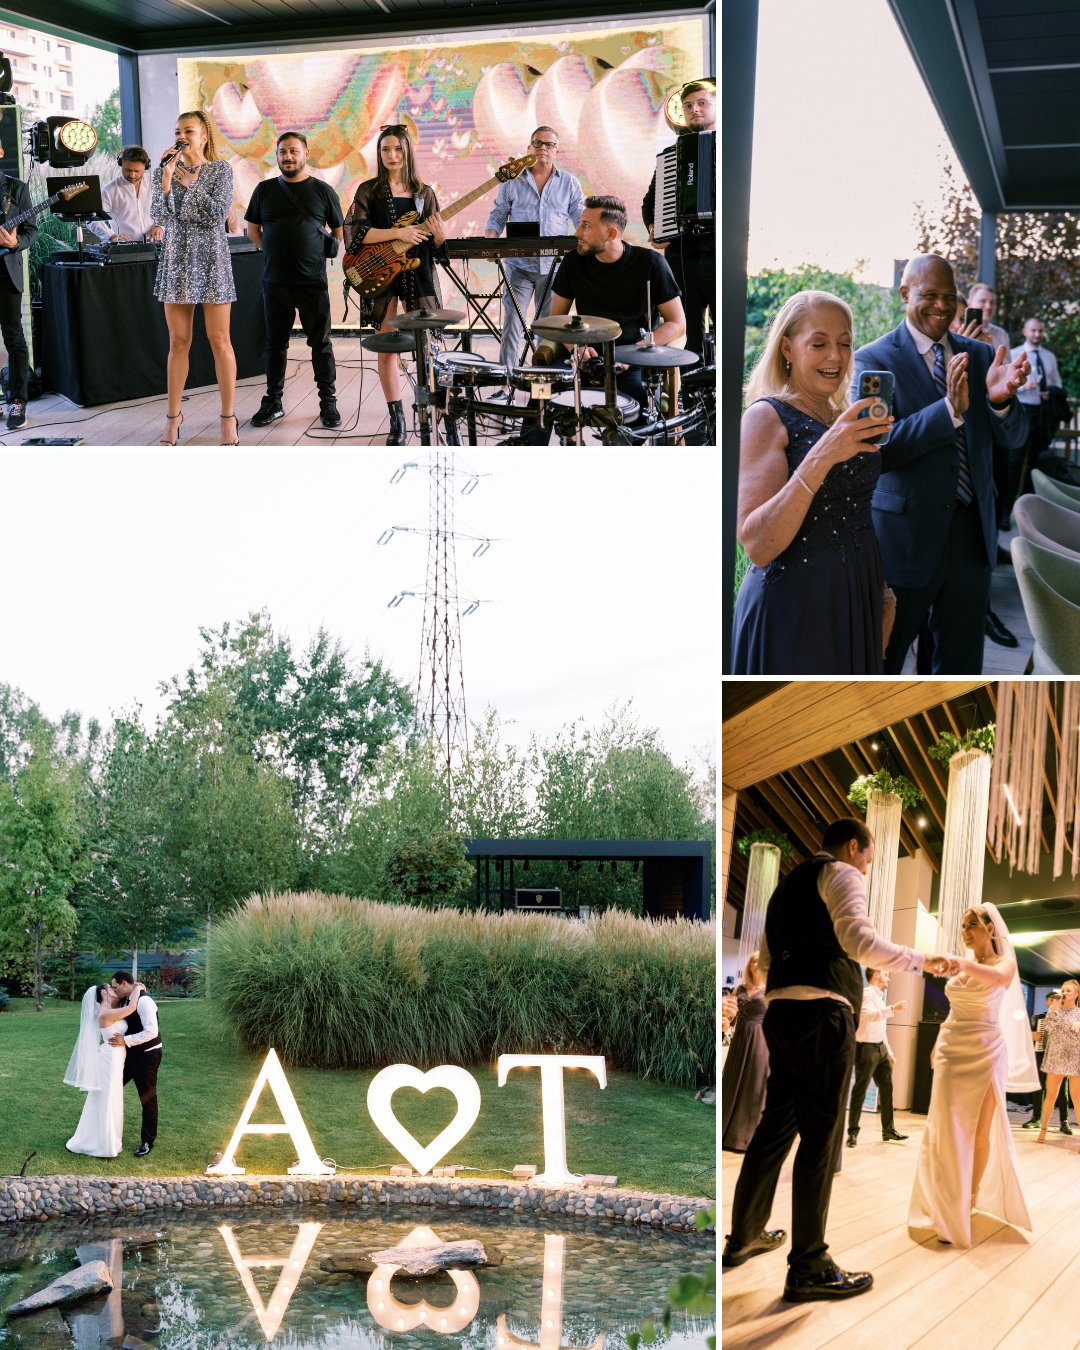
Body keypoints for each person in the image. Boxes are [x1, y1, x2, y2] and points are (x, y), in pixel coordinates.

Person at [721, 817, 953, 1303]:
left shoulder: (785, 890)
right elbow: (858, 943)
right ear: (855, 847)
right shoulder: (841, 873)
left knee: (774, 1129)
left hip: (781, 1015)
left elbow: (761, 962)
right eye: (869, 861)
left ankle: (742, 1236)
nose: (866, 871)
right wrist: (923, 960)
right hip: (823, 1015)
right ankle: (809, 1264)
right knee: (821, 1138)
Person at [853, 254, 1030, 674]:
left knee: (960, 670)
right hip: (905, 543)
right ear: (904, 294)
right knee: (884, 661)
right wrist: (948, 410)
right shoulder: (873, 361)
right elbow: (879, 449)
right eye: (928, 295)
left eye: (949, 297)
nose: (941, 305)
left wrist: (1001, 402)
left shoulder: (984, 356)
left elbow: (1015, 437)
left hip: (972, 540)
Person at [732, 290, 894, 674]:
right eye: (819, 344)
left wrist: (884, 592)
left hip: (857, 597)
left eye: (844, 344)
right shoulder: (765, 416)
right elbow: (757, 544)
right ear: (787, 348)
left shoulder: (841, 415)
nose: (836, 357)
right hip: (794, 608)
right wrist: (823, 455)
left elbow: (856, 509)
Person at [909, 904, 1039, 1247]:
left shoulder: (1004, 963)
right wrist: (938, 1042)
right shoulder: (963, 965)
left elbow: (1000, 979)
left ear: (990, 929)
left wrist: (959, 963)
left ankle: (969, 1197)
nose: (965, 931)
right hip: (953, 1045)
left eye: (972, 925)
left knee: (979, 1131)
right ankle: (942, 1199)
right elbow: (953, 1009)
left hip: (986, 1048)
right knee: (944, 1127)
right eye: (963, 925)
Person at [529, 195, 684, 423]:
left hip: (632, 362)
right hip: (584, 358)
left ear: (611, 234)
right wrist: (576, 348)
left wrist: (637, 353)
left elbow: (677, 322)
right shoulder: (573, 262)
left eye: (586, 226)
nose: (577, 233)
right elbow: (557, 319)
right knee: (539, 395)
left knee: (639, 414)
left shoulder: (651, 263)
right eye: (580, 223)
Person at [344, 123, 448, 446]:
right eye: (385, 149)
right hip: (380, 273)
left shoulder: (424, 193)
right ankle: (397, 419)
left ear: (407, 152)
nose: (391, 155)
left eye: (397, 149)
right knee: (386, 345)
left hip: (418, 272)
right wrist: (399, 233)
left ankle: (432, 412)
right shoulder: (369, 191)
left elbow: (439, 248)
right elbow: (355, 235)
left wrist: (440, 233)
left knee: (428, 347)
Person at [245, 131, 345, 431]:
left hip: (312, 282)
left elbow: (339, 233)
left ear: (305, 154)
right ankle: (273, 401)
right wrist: (274, 251)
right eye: (282, 152)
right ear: (276, 156)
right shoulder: (263, 190)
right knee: (276, 345)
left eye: (293, 151)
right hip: (275, 282)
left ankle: (328, 402)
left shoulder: (324, 191)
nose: (287, 156)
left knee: (321, 344)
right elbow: (253, 231)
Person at [151, 109, 238, 447]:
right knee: (178, 342)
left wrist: (188, 179)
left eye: (188, 130)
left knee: (220, 341)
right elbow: (159, 213)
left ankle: (228, 418)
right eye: (177, 130)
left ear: (204, 136)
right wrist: (168, 177)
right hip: (176, 259)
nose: (181, 136)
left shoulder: (220, 170)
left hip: (212, 259)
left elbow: (218, 214)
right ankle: (173, 419)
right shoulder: (166, 169)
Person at [484, 125, 584, 373]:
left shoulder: (569, 183)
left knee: (547, 327)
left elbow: (582, 219)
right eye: (538, 143)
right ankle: (505, 381)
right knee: (512, 325)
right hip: (519, 267)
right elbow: (497, 214)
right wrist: (491, 238)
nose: (543, 148)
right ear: (529, 148)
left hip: (554, 268)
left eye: (549, 144)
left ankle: (543, 381)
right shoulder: (512, 180)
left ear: (556, 150)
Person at [641, 80, 715, 368]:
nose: (694, 109)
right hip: (681, 253)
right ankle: (693, 397)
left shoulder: (730, 148)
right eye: (688, 106)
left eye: (701, 103)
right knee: (688, 333)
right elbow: (650, 202)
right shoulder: (671, 156)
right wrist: (653, 228)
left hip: (717, 252)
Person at [64, 981, 145, 1157]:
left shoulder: (110, 1010)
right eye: (110, 987)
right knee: (107, 1098)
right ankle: (102, 1144)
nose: (113, 989)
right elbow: (131, 1008)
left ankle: (101, 1138)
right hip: (110, 1060)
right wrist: (138, 988)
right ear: (104, 994)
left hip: (115, 1058)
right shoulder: (105, 1014)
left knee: (109, 1097)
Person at [846, 968, 907, 1147]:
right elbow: (866, 1015)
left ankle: (888, 1130)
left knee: (887, 1089)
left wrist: (889, 1051)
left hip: (880, 1049)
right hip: (865, 1049)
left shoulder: (879, 997)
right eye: (886, 974)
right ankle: (852, 1133)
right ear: (876, 975)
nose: (888, 978)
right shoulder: (866, 993)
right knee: (860, 1090)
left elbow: (881, 1027)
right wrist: (892, 1009)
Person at [1010, 317, 1063, 515]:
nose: (1037, 334)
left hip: (1043, 414)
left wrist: (1051, 391)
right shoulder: (1015, 354)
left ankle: (1029, 509)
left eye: (1040, 331)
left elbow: (1057, 383)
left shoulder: (1049, 357)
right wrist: (1024, 386)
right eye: (1033, 330)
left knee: (1036, 462)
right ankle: (1007, 511)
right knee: (1014, 461)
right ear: (1025, 331)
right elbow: (1005, 386)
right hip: (1022, 411)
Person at [108, 971, 163, 1157]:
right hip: (129, 1055)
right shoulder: (127, 999)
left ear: (124, 983)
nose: (114, 991)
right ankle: (104, 1133)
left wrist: (125, 1040)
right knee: (110, 1087)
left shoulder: (144, 1001)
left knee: (147, 1098)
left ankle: (148, 1141)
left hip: (147, 1056)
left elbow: (151, 1032)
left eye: (116, 987)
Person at [0, 151, 36, 432]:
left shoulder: (16, 188)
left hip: (5, 273)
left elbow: (31, 232)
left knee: (13, 336)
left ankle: (17, 401)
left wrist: (14, 243)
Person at [721, 952, 768, 1152]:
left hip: (761, 1040)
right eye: (754, 961)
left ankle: (747, 1137)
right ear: (750, 965)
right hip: (739, 1038)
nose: (756, 965)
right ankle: (726, 1132)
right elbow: (729, 1015)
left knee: (754, 1083)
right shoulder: (739, 989)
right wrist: (727, 1018)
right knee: (733, 1079)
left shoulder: (772, 990)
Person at [88, 146, 163, 245]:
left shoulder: (156, 183)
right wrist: (112, 236)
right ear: (121, 164)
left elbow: (167, 209)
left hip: (156, 246)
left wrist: (160, 226)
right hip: (125, 250)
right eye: (128, 170)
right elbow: (92, 220)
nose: (132, 175)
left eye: (137, 171)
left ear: (146, 167)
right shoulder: (109, 190)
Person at [1036, 976, 1080, 1144]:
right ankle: (1043, 1130)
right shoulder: (1054, 1011)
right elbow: (1047, 1029)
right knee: (1051, 1095)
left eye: (1068, 990)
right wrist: (1053, 1009)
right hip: (1056, 1057)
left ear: (1076, 994)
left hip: (1075, 1057)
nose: (1064, 993)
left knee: (1076, 1096)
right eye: (1063, 990)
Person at [1022, 989, 1070, 1131]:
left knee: (1062, 1090)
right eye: (1051, 1001)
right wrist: (1032, 1035)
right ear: (1048, 1001)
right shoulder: (1039, 1018)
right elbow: (1028, 1034)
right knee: (1039, 1087)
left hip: (1060, 1057)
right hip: (1042, 1055)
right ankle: (1036, 1118)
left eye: (1057, 1001)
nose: (1053, 1003)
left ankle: (1064, 1121)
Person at [967, 281, 1011, 353]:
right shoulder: (957, 332)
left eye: (992, 303)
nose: (988, 306)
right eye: (983, 301)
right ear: (969, 303)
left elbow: (1008, 363)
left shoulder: (1001, 334)